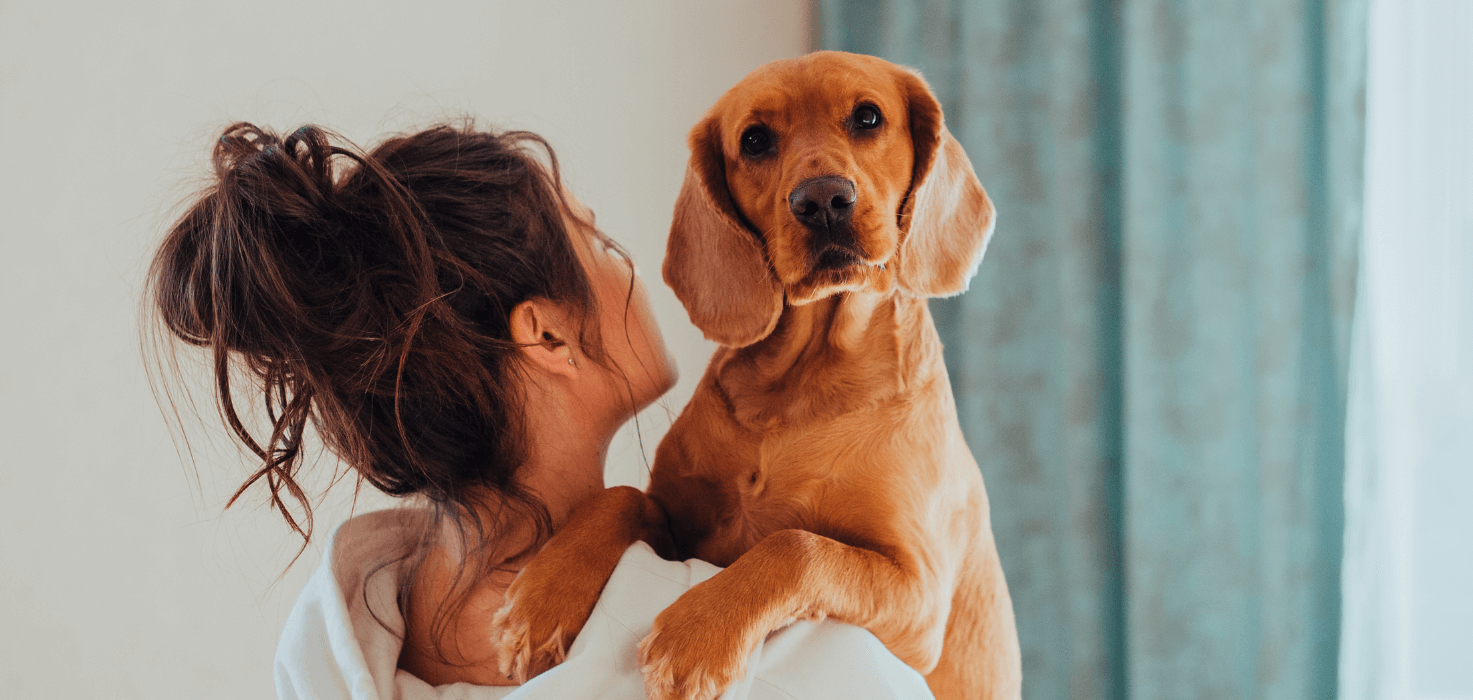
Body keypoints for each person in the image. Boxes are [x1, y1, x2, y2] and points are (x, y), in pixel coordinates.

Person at [147, 122, 932, 699]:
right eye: (597, 242)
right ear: (549, 334)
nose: (633, 273)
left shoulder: (321, 655)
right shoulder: (785, 668)